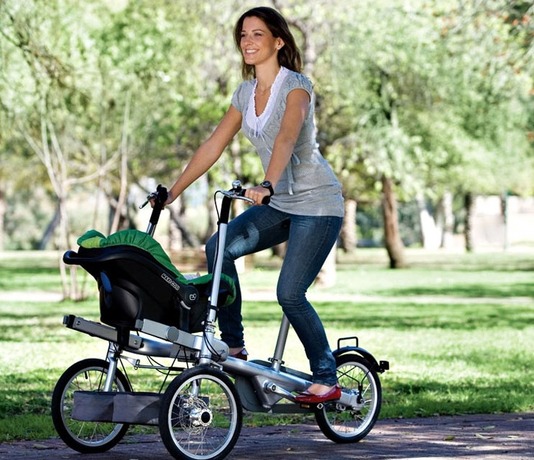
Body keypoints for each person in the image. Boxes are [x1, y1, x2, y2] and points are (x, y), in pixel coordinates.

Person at [164, 6, 344, 404]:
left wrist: (267, 183)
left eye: (257, 34)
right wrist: (172, 192)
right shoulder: (245, 93)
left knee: (290, 293)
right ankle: (235, 344)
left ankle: (327, 376)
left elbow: (286, 137)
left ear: (278, 41)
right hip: (281, 205)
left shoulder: (296, 87)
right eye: (243, 34)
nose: (248, 41)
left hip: (317, 204)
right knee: (218, 248)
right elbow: (214, 144)